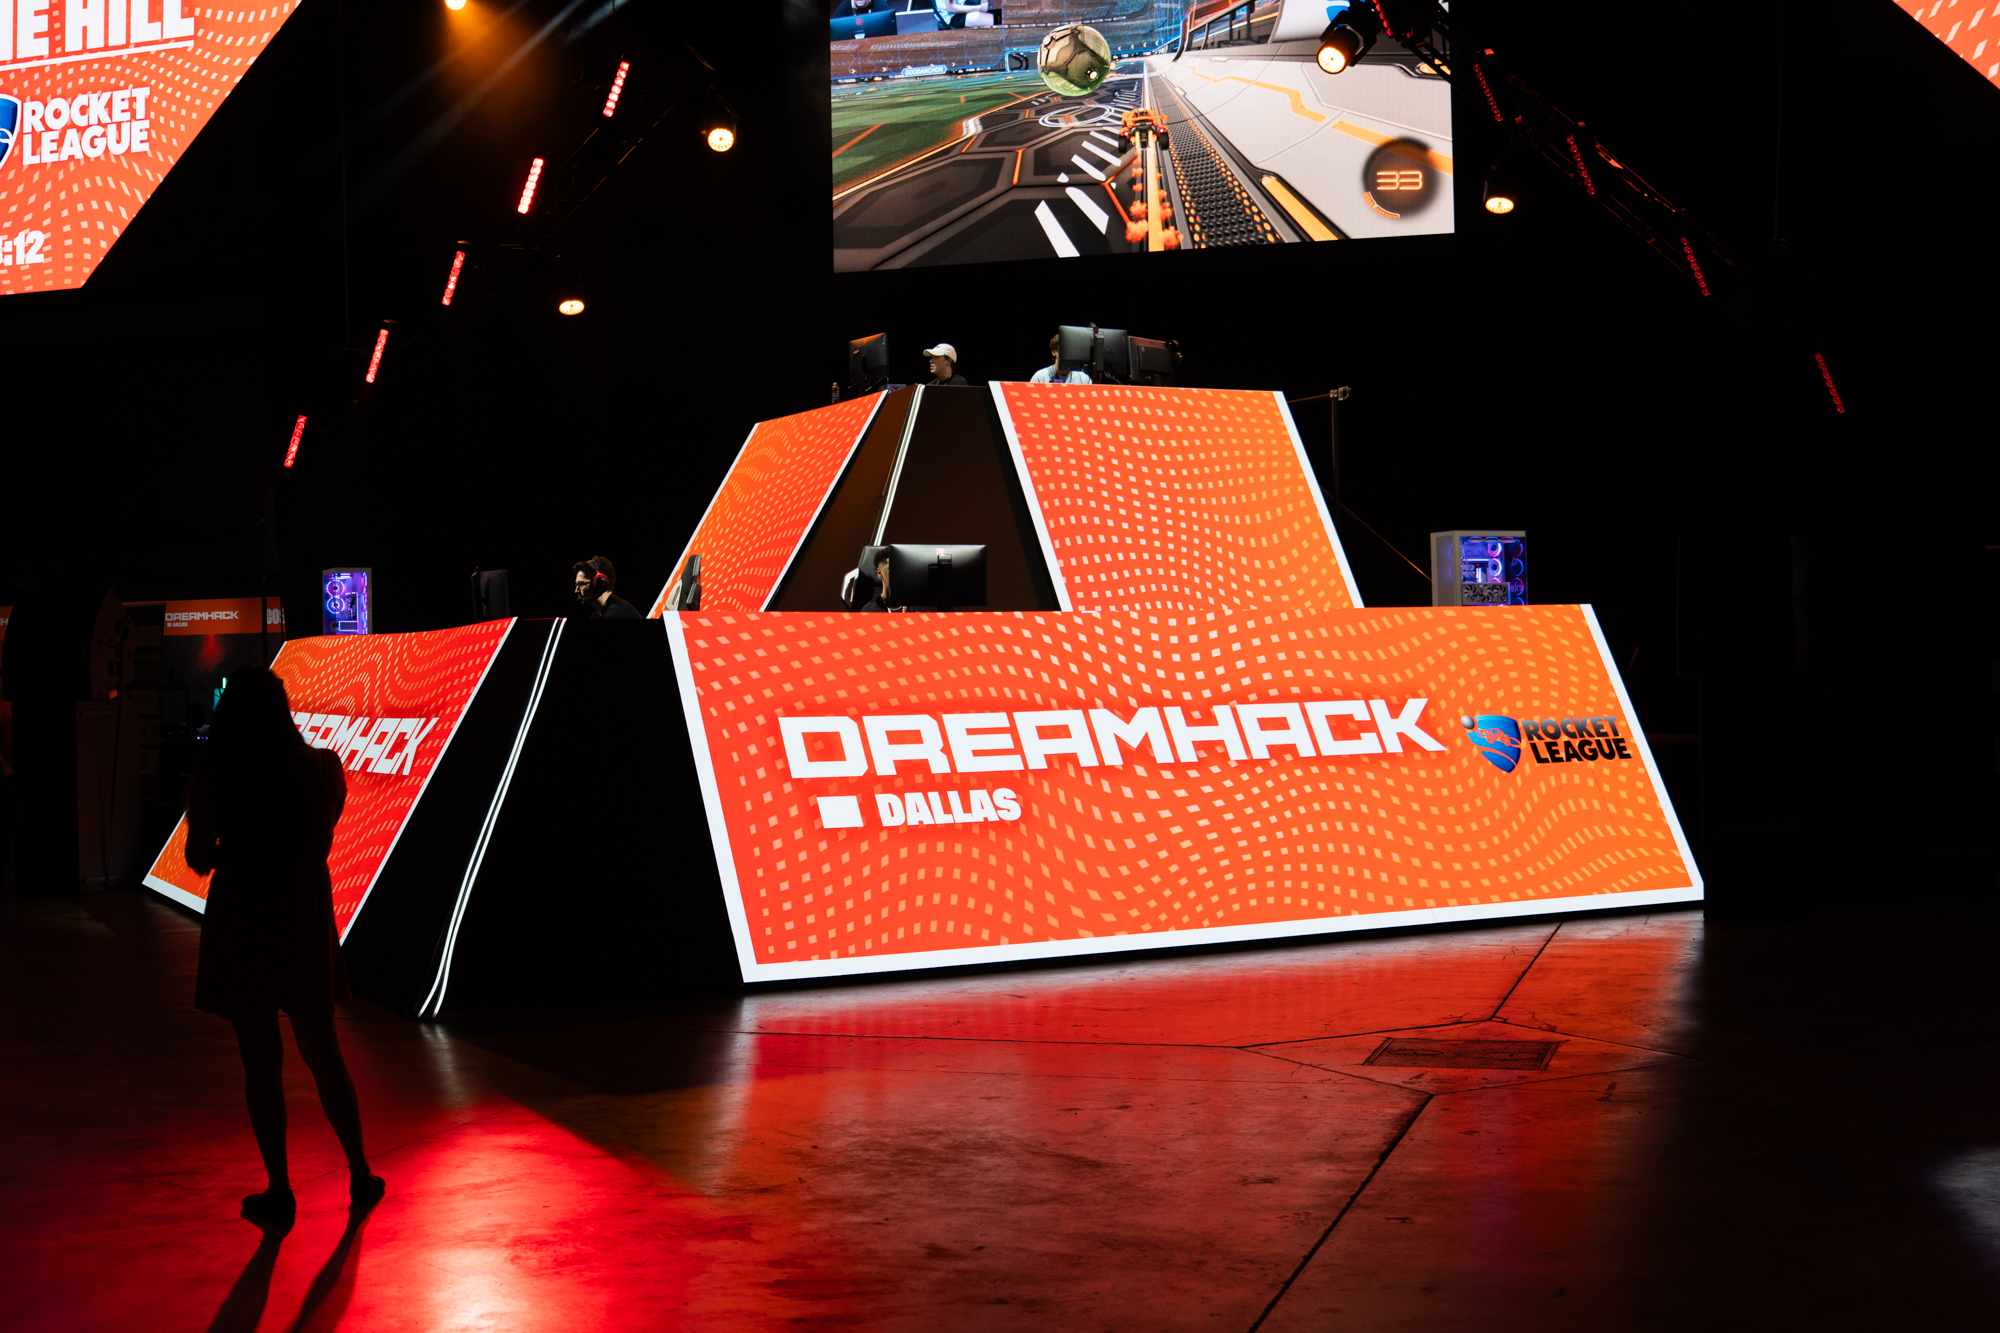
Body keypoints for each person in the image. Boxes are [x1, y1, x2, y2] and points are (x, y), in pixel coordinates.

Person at [185, 667, 383, 1224]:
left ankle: (280, 1190)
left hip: (244, 918)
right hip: (303, 917)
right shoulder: (322, 767)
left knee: (261, 1062)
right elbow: (321, 836)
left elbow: (199, 856)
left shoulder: (220, 773)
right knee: (324, 1052)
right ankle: (360, 1173)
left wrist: (236, 850)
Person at [573, 556, 641, 618]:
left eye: (581, 584)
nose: (576, 591)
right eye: (576, 585)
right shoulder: (598, 613)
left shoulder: (616, 613)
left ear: (599, 583)